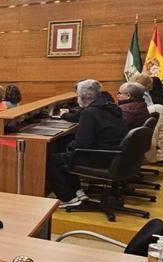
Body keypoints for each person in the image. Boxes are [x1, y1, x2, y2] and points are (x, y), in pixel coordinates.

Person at [46, 79, 129, 207]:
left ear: (82, 97)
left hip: (100, 157)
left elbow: (82, 144)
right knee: (64, 147)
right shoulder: (110, 106)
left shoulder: (90, 113)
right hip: (114, 154)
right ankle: (78, 191)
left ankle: (68, 198)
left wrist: (69, 146)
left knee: (52, 159)